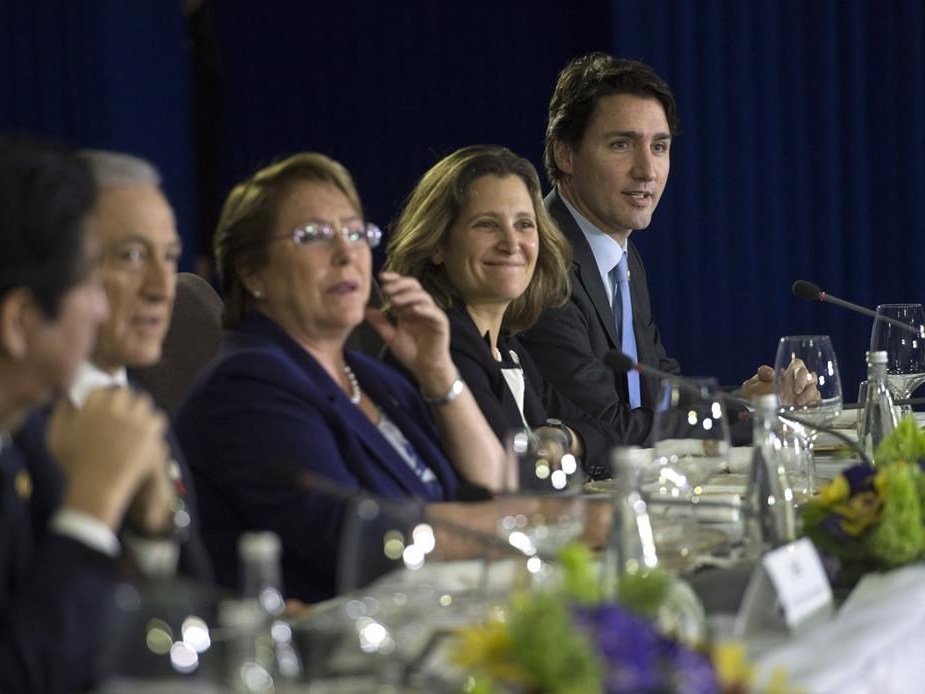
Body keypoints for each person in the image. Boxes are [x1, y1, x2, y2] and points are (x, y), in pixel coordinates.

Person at [173, 152, 515, 603]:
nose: (345, 254)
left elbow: (489, 488)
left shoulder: (374, 378)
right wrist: (534, 523)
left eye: (356, 233)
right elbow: (355, 537)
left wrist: (438, 372)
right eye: (314, 236)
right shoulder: (246, 387)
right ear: (252, 270)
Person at [0, 136, 169, 692]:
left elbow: (119, 642)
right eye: (88, 284)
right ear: (20, 320)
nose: (101, 309)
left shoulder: (12, 433)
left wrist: (146, 526)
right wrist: (93, 506)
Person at [520, 53, 817, 446]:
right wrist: (755, 421)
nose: (647, 170)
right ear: (565, 154)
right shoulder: (541, 259)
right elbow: (610, 425)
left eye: (659, 147)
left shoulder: (618, 251)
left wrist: (747, 402)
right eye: (621, 144)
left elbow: (657, 388)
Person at [15, 149, 212, 580]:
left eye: (170, 256)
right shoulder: (15, 422)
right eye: (131, 256)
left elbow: (187, 588)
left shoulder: (140, 403)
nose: (163, 289)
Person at [384, 145, 620, 480]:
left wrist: (563, 437)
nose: (511, 244)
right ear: (438, 244)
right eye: (486, 225)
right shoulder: (441, 343)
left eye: (524, 224)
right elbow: (509, 482)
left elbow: (608, 438)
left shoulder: (506, 348)